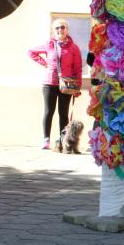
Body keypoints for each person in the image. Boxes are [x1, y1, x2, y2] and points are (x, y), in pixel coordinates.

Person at [28, 19, 83, 149]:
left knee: (63, 113)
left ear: (67, 30)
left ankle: (63, 141)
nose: (60, 30)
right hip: (49, 83)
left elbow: (78, 68)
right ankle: (46, 140)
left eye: (62, 27)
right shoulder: (49, 44)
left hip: (66, 84)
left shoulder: (74, 48)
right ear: (54, 30)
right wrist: (44, 63)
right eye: (57, 28)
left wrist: (77, 87)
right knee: (49, 111)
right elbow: (31, 52)